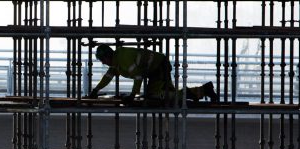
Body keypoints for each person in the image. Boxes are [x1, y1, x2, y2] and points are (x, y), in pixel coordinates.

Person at [88, 44, 218, 105]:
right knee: (161, 95)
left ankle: (202, 90)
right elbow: (107, 77)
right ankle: (201, 91)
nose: (104, 63)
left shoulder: (123, 59)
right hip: (156, 68)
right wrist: (95, 90)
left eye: (103, 60)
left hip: (159, 66)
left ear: (108, 56)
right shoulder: (116, 62)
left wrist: (132, 96)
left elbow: (138, 77)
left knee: (159, 96)